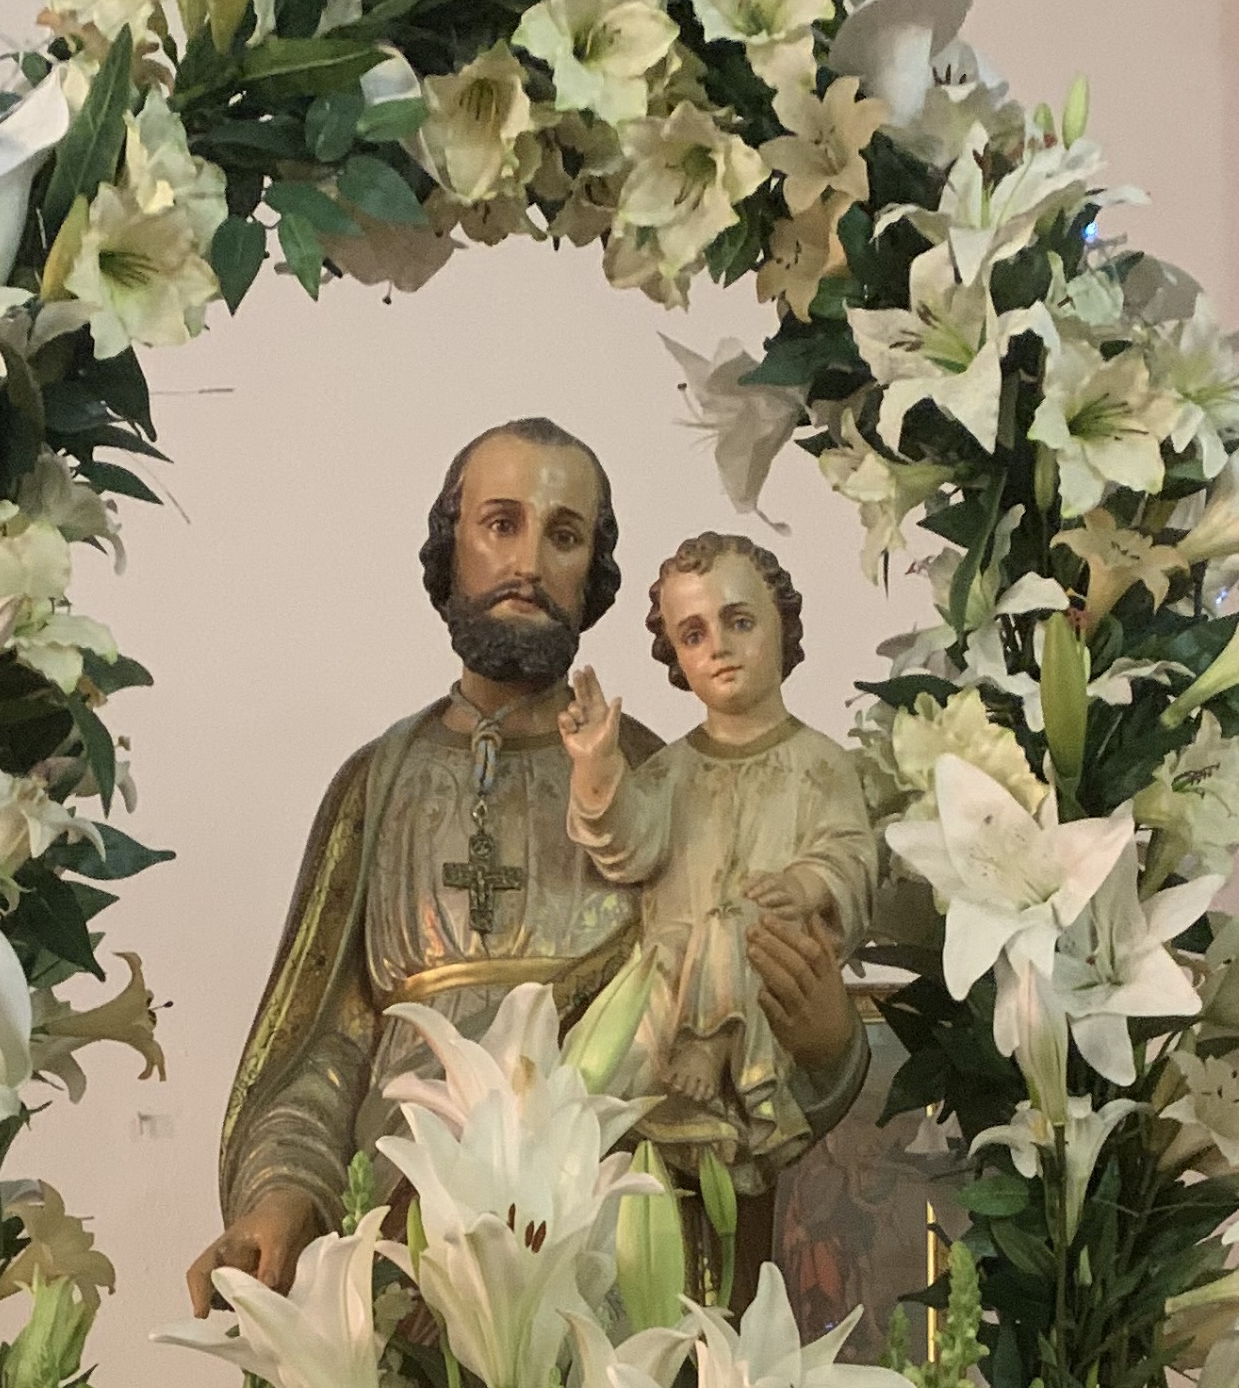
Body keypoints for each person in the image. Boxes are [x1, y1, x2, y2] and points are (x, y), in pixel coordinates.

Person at [190, 421, 866, 1312]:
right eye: (500, 524)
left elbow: (732, 1026)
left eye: (564, 535)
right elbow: (322, 1049)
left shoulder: (666, 780)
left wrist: (826, 1048)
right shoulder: (378, 784)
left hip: (610, 1259)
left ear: (595, 571)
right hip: (403, 1245)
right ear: (451, 544)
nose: (528, 562)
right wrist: (282, 1199)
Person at [559, 532, 875, 1206]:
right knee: (586, 1100)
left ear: (782, 624)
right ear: (674, 654)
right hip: (669, 978)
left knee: (739, 919)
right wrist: (596, 765)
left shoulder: (820, 764)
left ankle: (717, 1047)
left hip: (768, 972)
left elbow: (851, 855)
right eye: (693, 634)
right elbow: (627, 845)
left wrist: (802, 886)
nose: (719, 649)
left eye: (739, 621)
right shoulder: (670, 772)